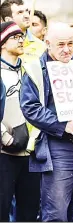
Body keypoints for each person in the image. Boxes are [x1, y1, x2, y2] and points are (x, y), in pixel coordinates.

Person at [19, 22, 73, 221]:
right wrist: (62, 125)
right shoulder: (35, 70)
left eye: (70, 43)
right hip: (58, 147)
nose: (66, 49)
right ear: (47, 43)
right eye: (60, 45)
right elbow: (30, 107)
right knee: (56, 211)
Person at [0, 21, 41, 222]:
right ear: (2, 43)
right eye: (14, 37)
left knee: (29, 209)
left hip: (30, 151)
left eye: (21, 36)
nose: (21, 40)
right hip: (4, 152)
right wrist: (5, 137)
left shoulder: (29, 71)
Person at [0, 0, 46, 64]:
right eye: (20, 12)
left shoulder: (42, 46)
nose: (27, 16)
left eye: (27, 11)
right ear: (8, 20)